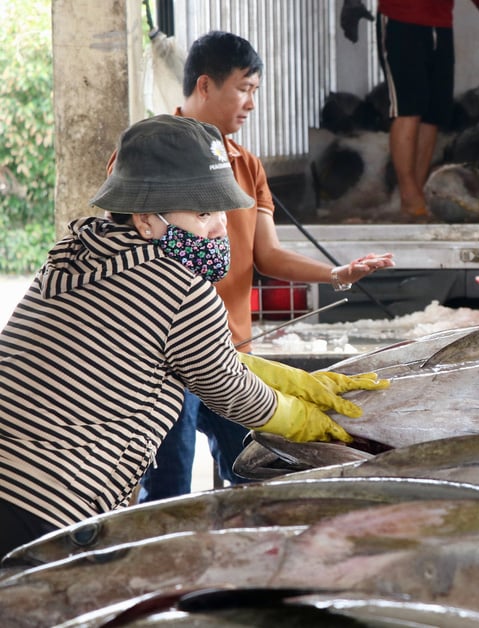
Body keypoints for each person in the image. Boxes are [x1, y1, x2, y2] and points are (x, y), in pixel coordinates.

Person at [0, 115, 387, 555]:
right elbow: (233, 395)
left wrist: (300, 382)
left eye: (220, 210)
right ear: (146, 220)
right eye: (203, 214)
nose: (221, 228)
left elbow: (170, 353)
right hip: (44, 503)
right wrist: (311, 422)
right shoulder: (179, 286)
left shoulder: (72, 255)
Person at [135, 31, 395, 502]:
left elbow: (266, 254)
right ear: (206, 85)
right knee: (168, 485)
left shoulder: (248, 166)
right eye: (244, 88)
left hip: (231, 353)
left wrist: (336, 275)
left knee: (256, 474)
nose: (251, 103)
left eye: (256, 91)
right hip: (166, 358)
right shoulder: (151, 154)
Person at [357, 0, 479, 218]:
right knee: (408, 108)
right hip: (402, 18)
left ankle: (418, 195)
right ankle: (409, 196)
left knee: (433, 113)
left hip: (440, 24)